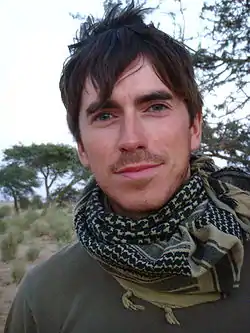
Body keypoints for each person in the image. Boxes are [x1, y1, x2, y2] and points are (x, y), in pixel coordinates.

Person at [4, 2, 250, 333]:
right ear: (81, 147)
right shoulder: (44, 298)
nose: (131, 139)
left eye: (156, 107)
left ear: (194, 128)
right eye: (105, 115)